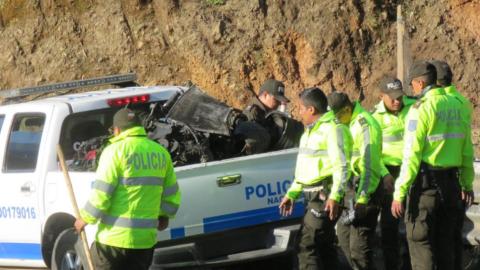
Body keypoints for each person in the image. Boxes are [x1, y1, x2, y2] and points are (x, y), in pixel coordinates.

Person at [391, 61, 474, 270]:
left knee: (421, 244)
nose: (412, 89)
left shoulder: (420, 110)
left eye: (412, 85)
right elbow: (466, 152)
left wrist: (399, 192)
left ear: (420, 83)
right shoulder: (457, 105)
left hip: (424, 188)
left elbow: (411, 157)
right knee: (446, 245)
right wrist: (467, 184)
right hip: (451, 186)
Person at [74, 108, 182, 270]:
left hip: (113, 241)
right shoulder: (161, 153)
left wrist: (85, 219)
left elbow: (101, 195)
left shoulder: (114, 152)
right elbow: (171, 194)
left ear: (117, 130)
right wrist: (165, 215)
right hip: (145, 242)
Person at [279, 87, 352, 269]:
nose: (299, 112)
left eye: (301, 108)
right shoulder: (309, 133)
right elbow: (304, 170)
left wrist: (335, 196)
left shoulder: (333, 129)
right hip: (311, 197)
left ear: (311, 109)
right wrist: (292, 193)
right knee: (324, 247)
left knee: (304, 246)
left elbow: (342, 166)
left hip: (323, 197)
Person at [327, 91, 382, 270]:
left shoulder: (365, 125)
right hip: (350, 189)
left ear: (347, 109)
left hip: (364, 192)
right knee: (343, 239)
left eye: (337, 116)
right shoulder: (346, 123)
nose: (335, 121)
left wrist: (362, 199)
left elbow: (370, 167)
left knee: (359, 248)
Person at [371, 77, 416, 270]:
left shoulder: (414, 106)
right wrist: (383, 174)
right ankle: (391, 264)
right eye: (393, 99)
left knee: (413, 221)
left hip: (412, 169)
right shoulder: (374, 117)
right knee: (390, 224)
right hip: (389, 172)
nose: (398, 101)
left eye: (400, 97)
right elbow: (372, 150)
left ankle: (408, 264)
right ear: (382, 96)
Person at [432, 60, 473, 270]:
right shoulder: (462, 101)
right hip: (456, 177)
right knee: (453, 233)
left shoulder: (434, 103)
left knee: (438, 236)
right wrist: (467, 183)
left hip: (435, 176)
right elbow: (466, 147)